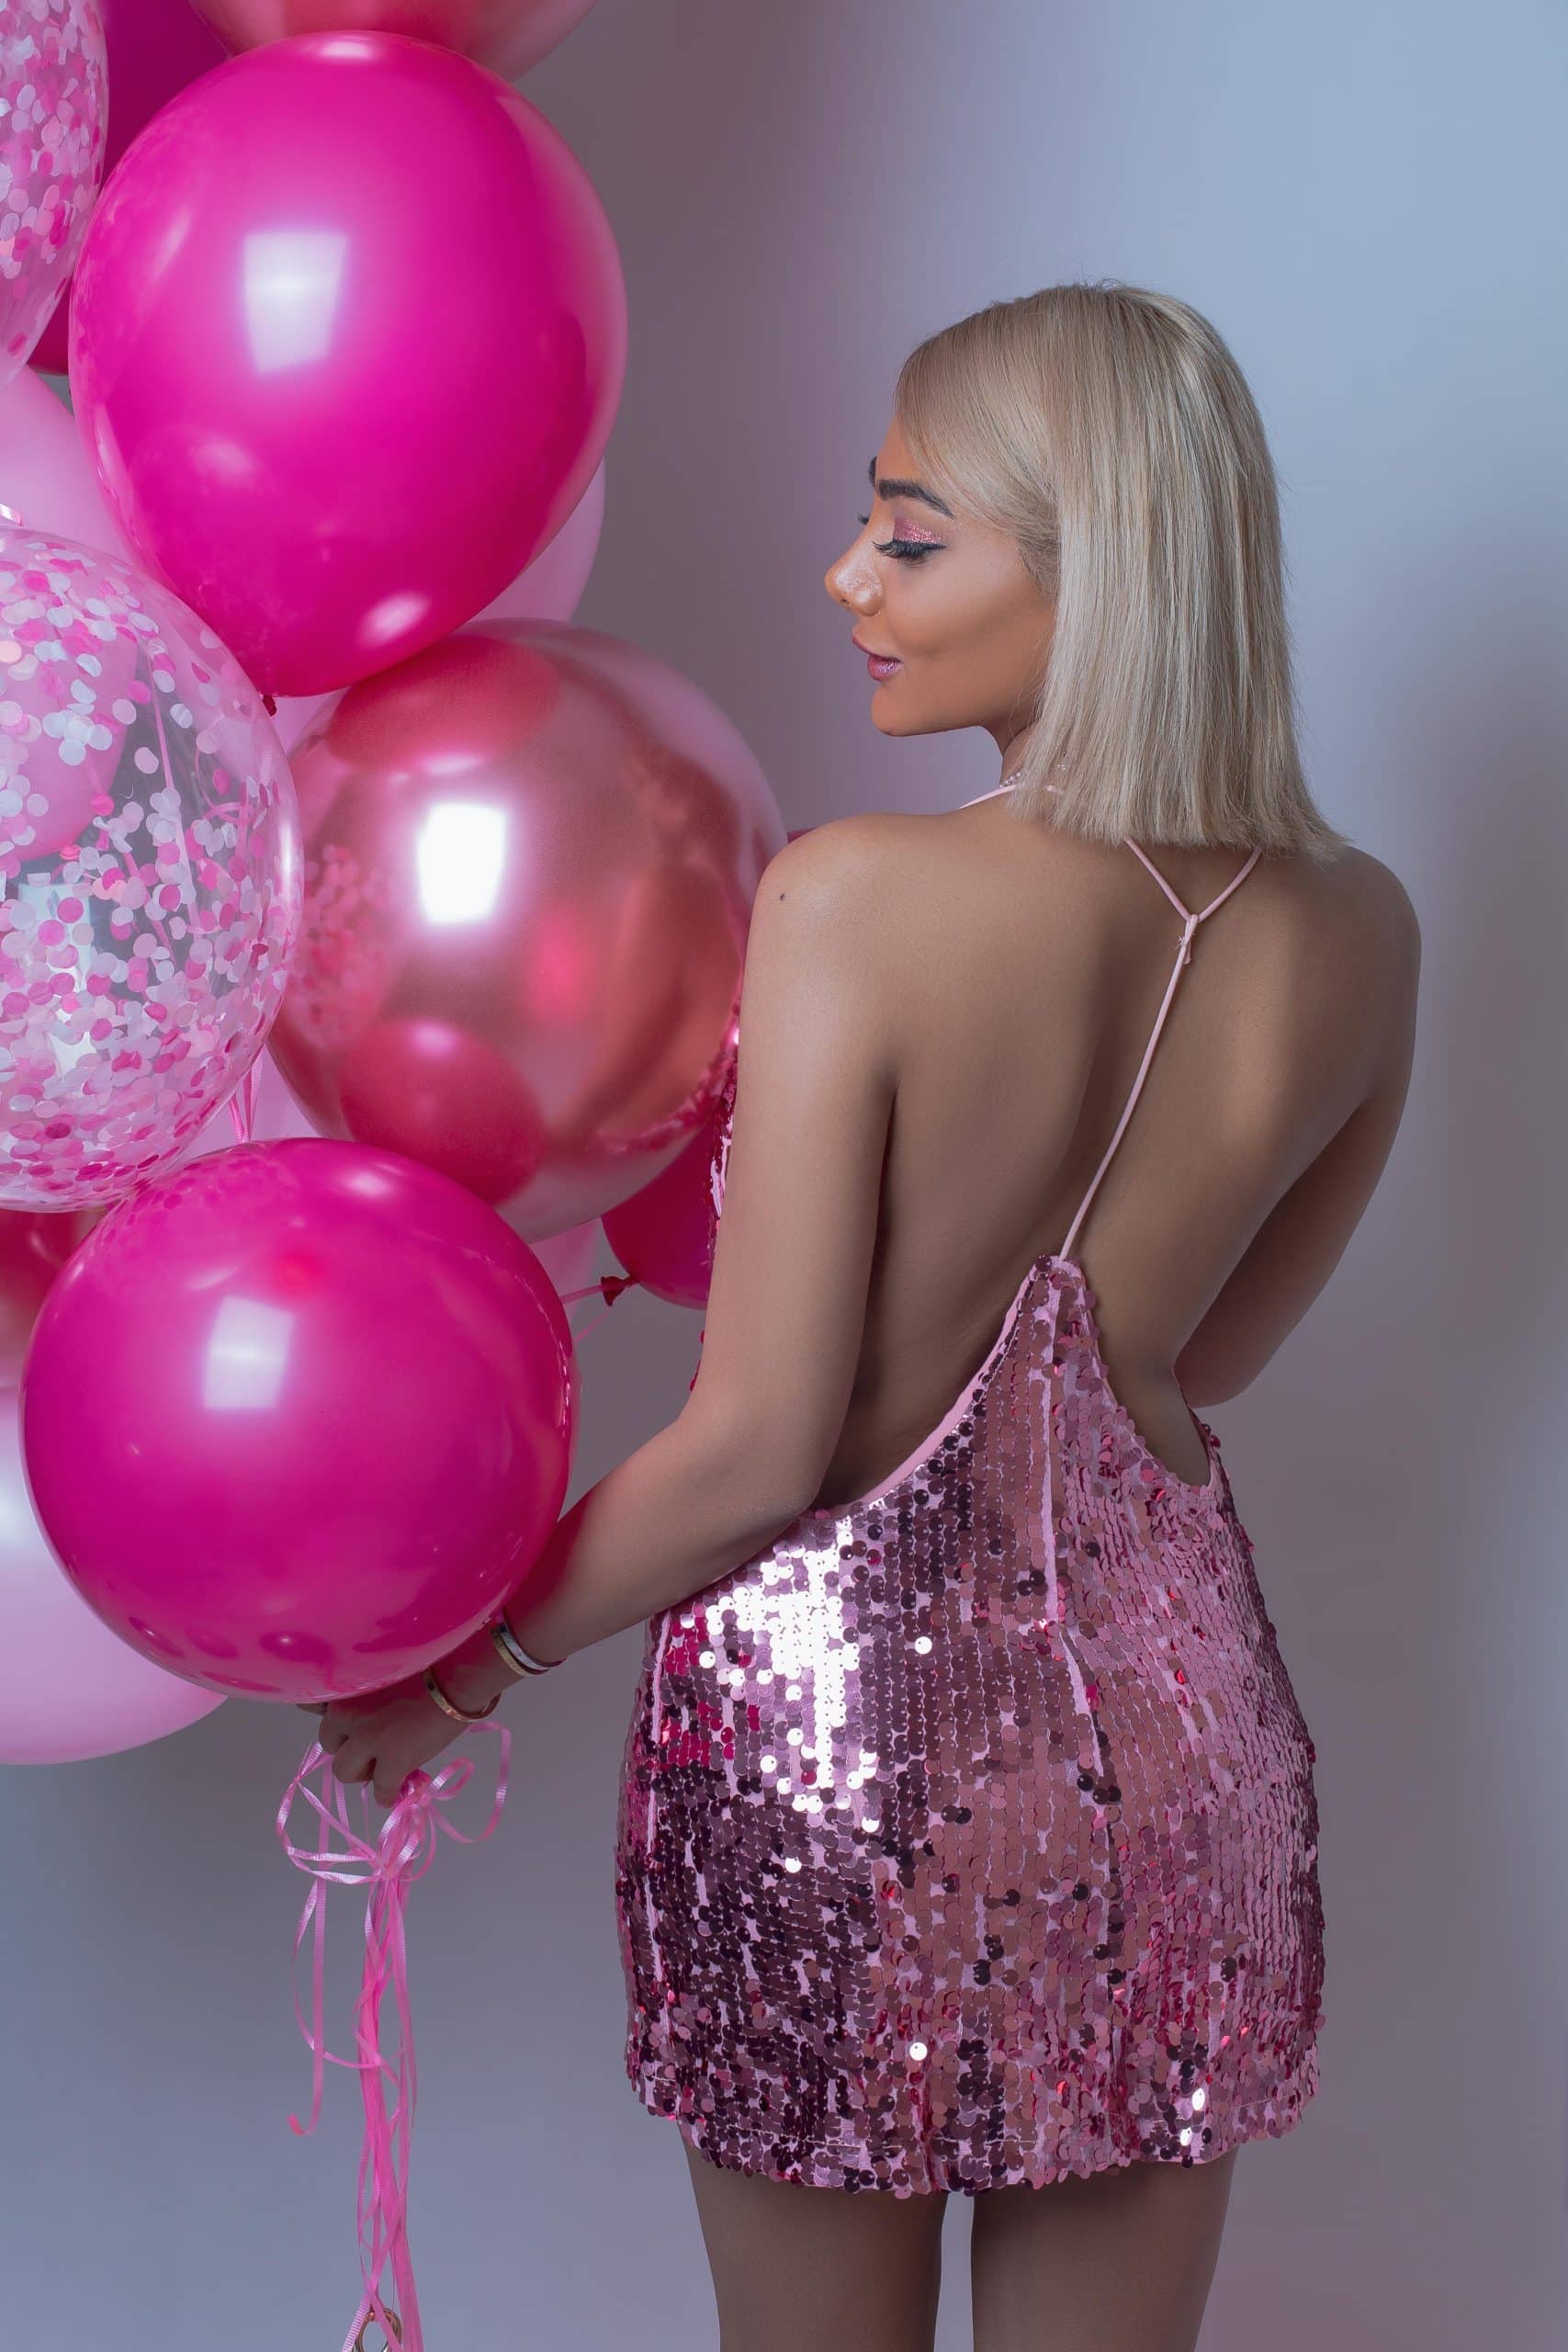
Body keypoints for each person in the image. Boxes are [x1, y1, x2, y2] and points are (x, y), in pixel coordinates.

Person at [313, 281, 1420, 2352]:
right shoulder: (1358, 932)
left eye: (913, 533)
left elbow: (755, 1447)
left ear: (1106, 568)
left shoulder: (855, 897)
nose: (850, 575)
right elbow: (1200, 1362)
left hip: (841, 1782)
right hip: (1179, 1777)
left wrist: (453, 1679)